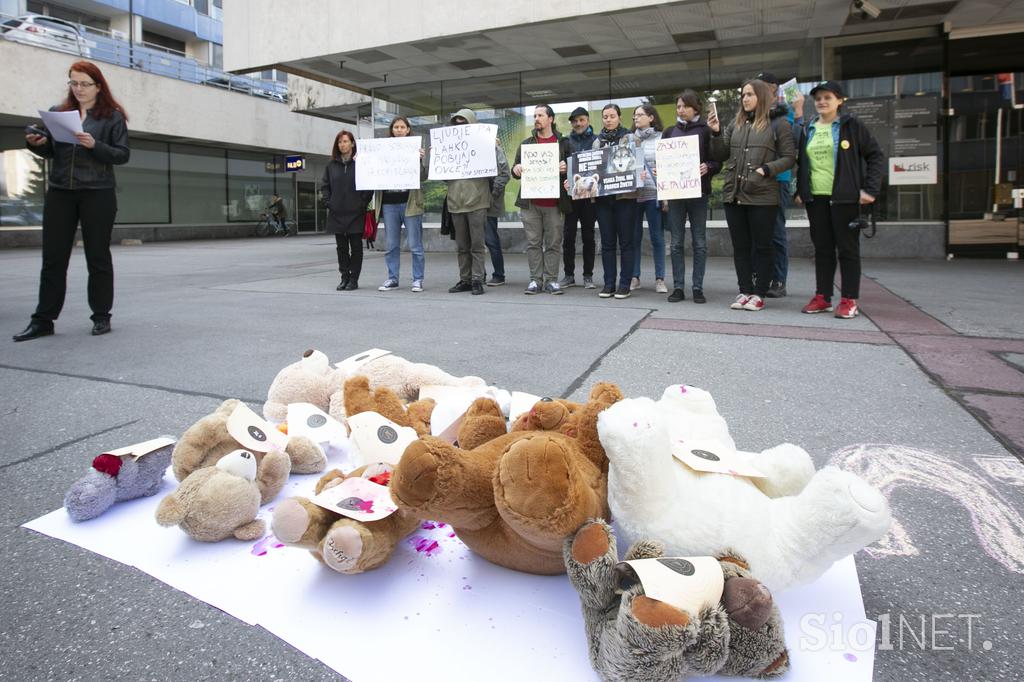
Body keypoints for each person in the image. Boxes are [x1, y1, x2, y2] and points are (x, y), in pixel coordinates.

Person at [14, 60, 130, 342]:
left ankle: (101, 316)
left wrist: (94, 145)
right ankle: (43, 320)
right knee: (53, 258)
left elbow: (122, 155)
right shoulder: (58, 113)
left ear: (98, 86)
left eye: (85, 84)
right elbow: (53, 152)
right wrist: (36, 144)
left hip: (97, 192)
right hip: (60, 192)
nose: (79, 89)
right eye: (74, 83)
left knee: (98, 256)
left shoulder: (112, 117)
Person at [796, 80, 884, 319]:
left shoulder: (851, 126)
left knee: (847, 250)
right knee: (822, 249)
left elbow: (876, 155)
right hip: (817, 199)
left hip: (845, 198)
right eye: (818, 98)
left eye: (828, 97)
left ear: (840, 100)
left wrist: (870, 190)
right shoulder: (809, 128)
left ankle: (848, 299)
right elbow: (804, 163)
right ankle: (823, 297)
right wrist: (802, 189)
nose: (822, 102)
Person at [709, 79, 795, 312]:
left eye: (750, 94)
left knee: (763, 245)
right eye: (743, 95)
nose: (745, 98)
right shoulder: (735, 124)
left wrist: (766, 170)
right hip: (734, 194)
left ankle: (759, 293)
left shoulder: (778, 124)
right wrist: (716, 133)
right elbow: (721, 154)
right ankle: (744, 290)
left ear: (762, 96)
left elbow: (789, 157)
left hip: (763, 194)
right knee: (741, 246)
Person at [661, 89, 719, 304]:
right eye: (678, 106)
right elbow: (663, 162)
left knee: (699, 242)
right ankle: (678, 287)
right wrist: (661, 171)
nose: (681, 110)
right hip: (676, 194)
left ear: (695, 107)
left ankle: (697, 287)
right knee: (676, 242)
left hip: (698, 192)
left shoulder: (705, 130)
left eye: (685, 106)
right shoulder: (669, 132)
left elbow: (717, 160)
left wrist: (709, 166)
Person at [444, 108, 509, 296]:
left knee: (478, 245)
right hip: (456, 202)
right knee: (462, 246)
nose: (459, 126)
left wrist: (492, 194)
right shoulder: (449, 145)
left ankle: (477, 280)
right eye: (456, 123)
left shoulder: (487, 144)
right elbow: (442, 176)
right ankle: (465, 279)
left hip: (478, 202)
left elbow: (504, 171)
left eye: (463, 123)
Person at [754, 72, 805, 298]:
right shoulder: (755, 114)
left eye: (761, 87)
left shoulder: (789, 112)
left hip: (778, 180)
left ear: (774, 88)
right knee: (757, 233)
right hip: (755, 180)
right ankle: (760, 276)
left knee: (775, 232)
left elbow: (795, 144)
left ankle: (778, 280)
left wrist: (800, 110)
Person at [512, 104, 572, 295]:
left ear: (550, 119)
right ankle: (535, 280)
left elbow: (576, 170)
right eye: (534, 115)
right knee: (533, 243)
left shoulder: (563, 143)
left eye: (540, 115)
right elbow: (515, 169)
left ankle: (552, 280)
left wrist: (567, 169)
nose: (536, 119)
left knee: (554, 243)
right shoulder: (527, 144)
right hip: (531, 203)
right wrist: (517, 169)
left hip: (555, 203)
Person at [592, 104, 639, 300]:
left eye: (612, 116)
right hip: (604, 199)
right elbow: (591, 167)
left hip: (625, 198)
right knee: (608, 242)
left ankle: (624, 284)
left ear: (619, 117)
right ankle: (609, 283)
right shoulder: (597, 142)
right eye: (605, 117)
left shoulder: (630, 138)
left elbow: (638, 164)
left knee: (626, 242)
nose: (608, 120)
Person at [376, 116, 428, 292]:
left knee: (415, 244)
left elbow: (423, 177)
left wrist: (420, 160)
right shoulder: (382, 150)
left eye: (402, 127)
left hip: (410, 203)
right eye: (396, 127)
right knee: (391, 245)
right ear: (391, 130)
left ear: (408, 130)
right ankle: (392, 278)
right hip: (389, 204)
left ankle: (418, 279)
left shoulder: (415, 149)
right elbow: (373, 171)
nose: (398, 130)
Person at [321, 130, 371, 291]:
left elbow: (369, 185)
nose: (342, 145)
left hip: (356, 212)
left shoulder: (361, 162)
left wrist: (362, 203)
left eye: (345, 141)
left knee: (356, 247)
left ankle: (354, 279)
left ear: (352, 143)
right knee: (341, 247)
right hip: (337, 212)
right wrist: (328, 202)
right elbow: (325, 186)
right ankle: (344, 277)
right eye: (340, 142)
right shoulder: (331, 165)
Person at [559, 106, 597, 289]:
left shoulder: (597, 141)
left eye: (581, 120)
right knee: (568, 237)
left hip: (590, 197)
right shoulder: (565, 142)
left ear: (588, 120)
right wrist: (564, 176)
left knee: (589, 236)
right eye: (575, 121)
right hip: (571, 197)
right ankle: (568, 275)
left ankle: (588, 275)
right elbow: (561, 168)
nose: (578, 123)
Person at [631, 103, 666, 293]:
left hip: (654, 194)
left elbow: (669, 165)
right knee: (634, 237)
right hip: (634, 195)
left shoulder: (661, 138)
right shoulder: (628, 139)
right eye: (634, 115)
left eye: (640, 115)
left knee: (657, 238)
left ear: (651, 117)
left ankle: (660, 279)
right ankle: (634, 277)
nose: (636, 118)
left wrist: (659, 170)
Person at [484, 141, 511, 286]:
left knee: (491, 239)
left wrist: (492, 194)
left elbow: (505, 174)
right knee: (472, 240)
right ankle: (478, 274)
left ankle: (499, 274)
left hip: (489, 201)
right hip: (470, 200)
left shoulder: (495, 149)